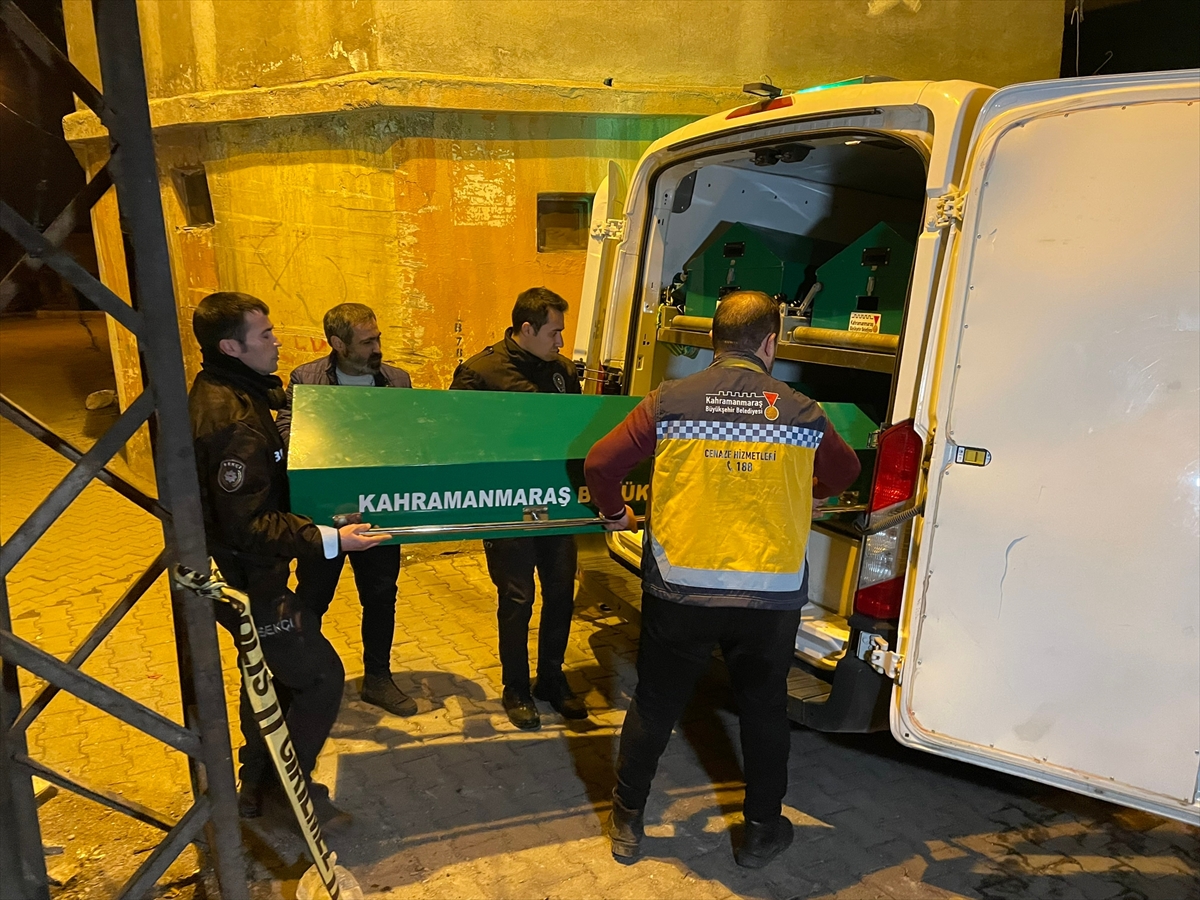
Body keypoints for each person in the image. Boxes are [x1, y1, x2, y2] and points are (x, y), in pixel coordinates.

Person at [583, 290, 861, 868]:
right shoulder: (802, 411)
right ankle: (760, 833)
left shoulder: (670, 401)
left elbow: (601, 464)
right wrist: (806, 491)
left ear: (714, 341)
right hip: (770, 596)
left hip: (681, 590)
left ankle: (628, 823)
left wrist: (614, 513)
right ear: (770, 343)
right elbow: (846, 471)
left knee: (655, 704)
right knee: (763, 708)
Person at [188, 291, 387, 827]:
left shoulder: (239, 392)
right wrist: (330, 539)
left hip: (246, 572)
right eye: (265, 334)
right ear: (231, 347)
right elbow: (247, 523)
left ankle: (254, 784)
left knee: (266, 675)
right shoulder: (234, 420)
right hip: (247, 577)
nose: (277, 342)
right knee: (320, 678)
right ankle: (285, 793)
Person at [449, 287, 587, 730]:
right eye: (554, 332)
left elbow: (578, 432)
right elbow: (457, 441)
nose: (561, 342)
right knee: (517, 598)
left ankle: (551, 678)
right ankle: (516, 687)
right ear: (526, 329)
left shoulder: (563, 371)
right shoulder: (479, 372)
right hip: (508, 505)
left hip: (555, 504)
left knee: (561, 593)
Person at [276, 302, 417, 717]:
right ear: (338, 344)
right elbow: (286, 428)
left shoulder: (397, 380)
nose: (378, 348)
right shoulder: (306, 378)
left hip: (379, 508)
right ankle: (301, 679)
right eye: (367, 341)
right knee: (313, 597)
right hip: (324, 514)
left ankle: (378, 678)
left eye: (378, 338)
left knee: (381, 595)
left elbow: (412, 432)